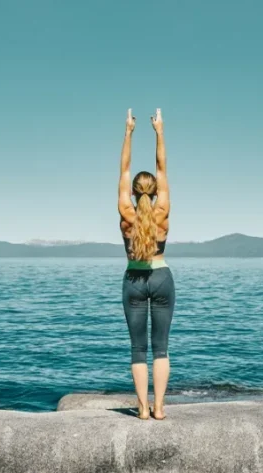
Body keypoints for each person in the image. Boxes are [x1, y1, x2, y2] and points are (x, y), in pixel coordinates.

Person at [118, 108, 173, 420]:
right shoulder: (162, 209)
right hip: (162, 275)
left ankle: (141, 408)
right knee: (161, 348)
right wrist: (159, 131)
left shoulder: (126, 211)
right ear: (153, 191)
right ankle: (160, 408)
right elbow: (162, 169)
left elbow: (124, 170)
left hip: (134, 280)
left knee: (138, 349)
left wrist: (128, 132)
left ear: (134, 191)